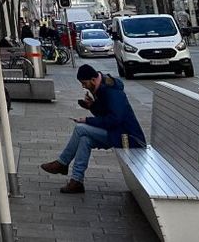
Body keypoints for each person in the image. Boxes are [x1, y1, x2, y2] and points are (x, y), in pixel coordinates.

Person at [41, 63, 145, 194]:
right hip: (116, 133)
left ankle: (62, 163)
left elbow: (114, 119)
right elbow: (106, 116)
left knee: (80, 129)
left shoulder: (111, 91)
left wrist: (87, 120)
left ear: (93, 80)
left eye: (84, 83)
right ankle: (76, 181)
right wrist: (92, 106)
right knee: (85, 139)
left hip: (128, 137)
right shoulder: (102, 89)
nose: (83, 86)